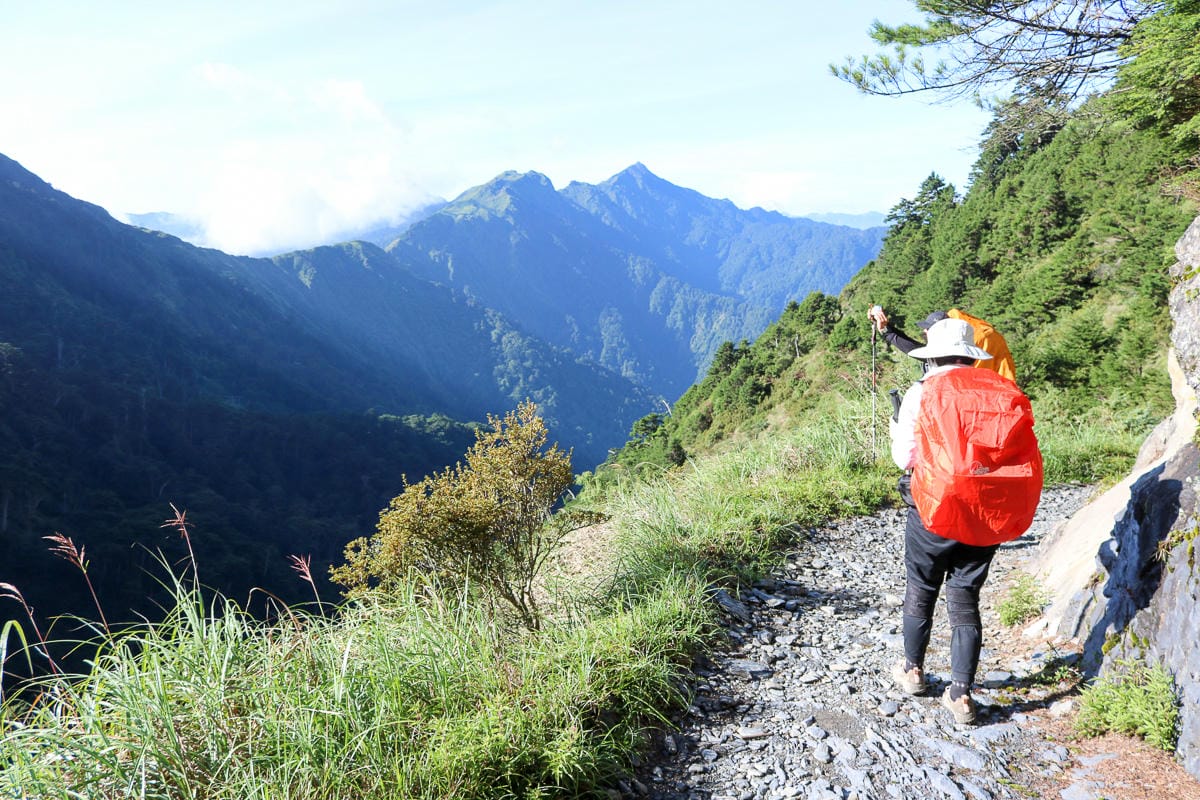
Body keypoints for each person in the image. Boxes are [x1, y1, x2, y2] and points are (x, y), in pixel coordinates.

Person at [888, 318, 1000, 725]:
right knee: (965, 596)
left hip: (933, 506)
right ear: (970, 356)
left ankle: (913, 672)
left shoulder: (923, 392)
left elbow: (905, 458)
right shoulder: (996, 391)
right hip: (985, 511)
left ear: (931, 355)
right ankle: (962, 695)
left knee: (921, 586)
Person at [869, 306, 1016, 381]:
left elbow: (923, 354)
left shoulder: (975, 341)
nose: (925, 332)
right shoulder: (962, 331)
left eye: (929, 329)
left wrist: (888, 333)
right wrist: (887, 330)